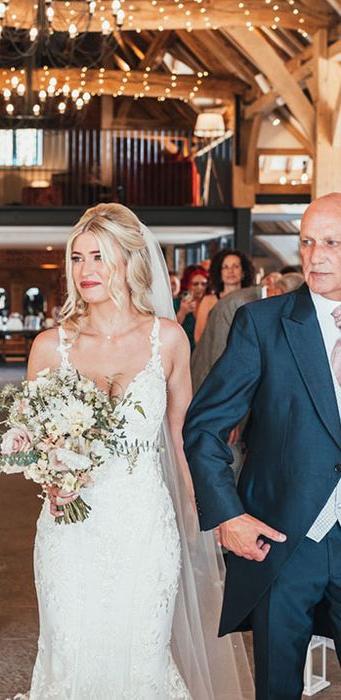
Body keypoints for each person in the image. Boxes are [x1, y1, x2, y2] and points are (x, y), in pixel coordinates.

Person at [24, 203, 251, 699]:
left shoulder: (166, 340)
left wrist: (210, 514)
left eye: (99, 257)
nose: (86, 271)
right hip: (69, 534)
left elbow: (182, 436)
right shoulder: (49, 347)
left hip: (145, 527)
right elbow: (32, 440)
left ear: (129, 261)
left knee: (142, 658)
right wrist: (49, 474)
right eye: (77, 258)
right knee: (70, 652)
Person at [183, 193, 341, 699]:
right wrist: (227, 515)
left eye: (333, 243)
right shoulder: (262, 324)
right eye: (308, 242)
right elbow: (204, 428)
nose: (315, 256)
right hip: (282, 542)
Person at [191, 272, 304, 392]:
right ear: (278, 292)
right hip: (211, 389)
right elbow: (221, 361)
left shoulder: (263, 304)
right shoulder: (238, 304)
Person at [194, 248, 255, 343]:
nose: (230, 271)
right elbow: (199, 337)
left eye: (235, 266)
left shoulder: (251, 300)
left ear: (243, 272)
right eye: (225, 267)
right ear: (219, 273)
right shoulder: (208, 301)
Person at [175, 265, 208, 350]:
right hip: (184, 350)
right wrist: (182, 313)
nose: (200, 288)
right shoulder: (176, 303)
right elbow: (169, 331)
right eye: (195, 284)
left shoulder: (210, 303)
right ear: (187, 285)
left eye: (203, 284)